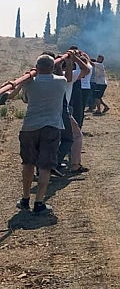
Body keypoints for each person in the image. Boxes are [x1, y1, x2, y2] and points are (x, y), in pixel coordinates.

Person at [5, 54, 67, 214]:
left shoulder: (29, 83)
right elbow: (62, 75)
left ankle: (25, 199)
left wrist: (27, 78)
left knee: (28, 164)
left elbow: (25, 100)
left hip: (30, 127)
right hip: (51, 127)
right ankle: (39, 202)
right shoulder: (61, 82)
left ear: (37, 67)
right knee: (45, 166)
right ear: (53, 67)